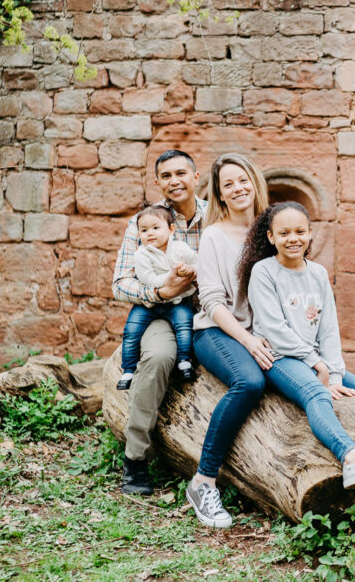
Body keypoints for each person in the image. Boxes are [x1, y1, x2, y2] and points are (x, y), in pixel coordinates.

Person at [236, 201, 355, 491]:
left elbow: (328, 329)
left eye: (300, 231)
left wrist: (335, 374)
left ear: (310, 233)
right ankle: (352, 458)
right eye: (285, 233)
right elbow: (275, 330)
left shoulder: (317, 273)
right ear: (271, 237)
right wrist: (317, 366)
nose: (293, 239)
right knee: (317, 393)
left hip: (317, 360)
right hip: (279, 359)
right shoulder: (264, 272)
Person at [184, 153, 273, 529]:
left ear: (254, 181)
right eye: (228, 185)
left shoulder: (270, 230)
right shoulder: (214, 236)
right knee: (250, 381)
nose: (238, 189)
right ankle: (203, 482)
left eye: (242, 180)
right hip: (215, 331)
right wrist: (250, 342)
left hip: (265, 334)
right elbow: (213, 302)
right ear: (219, 196)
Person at [112, 150, 207, 495]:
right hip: (160, 311)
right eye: (166, 176)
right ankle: (135, 460)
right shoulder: (145, 221)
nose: (174, 181)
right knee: (157, 359)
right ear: (158, 182)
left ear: (197, 177)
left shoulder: (215, 215)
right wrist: (161, 291)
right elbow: (120, 283)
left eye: (181, 173)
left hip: (212, 311)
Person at [117, 205, 198, 391]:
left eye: (155, 228)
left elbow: (198, 263)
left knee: (185, 325)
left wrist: (191, 271)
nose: (150, 234)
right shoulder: (141, 254)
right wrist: (170, 278)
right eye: (144, 230)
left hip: (177, 301)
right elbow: (149, 280)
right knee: (131, 330)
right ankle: (128, 369)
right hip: (149, 303)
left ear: (171, 230)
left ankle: (184, 361)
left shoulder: (180, 248)